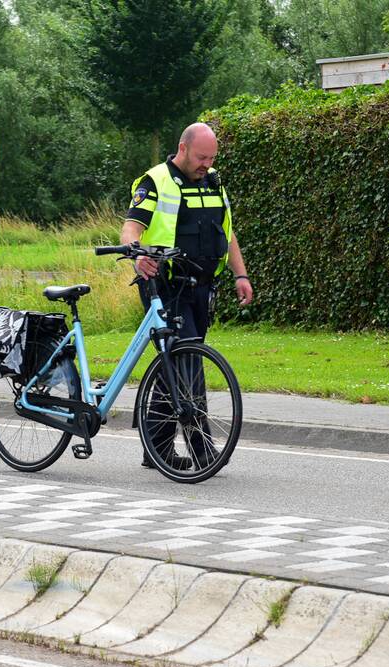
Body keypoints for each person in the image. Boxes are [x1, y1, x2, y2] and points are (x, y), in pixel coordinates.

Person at [119, 122, 253, 468]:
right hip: (166, 287)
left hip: (201, 288)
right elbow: (131, 227)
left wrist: (241, 274)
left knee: (173, 367)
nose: (206, 164)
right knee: (189, 364)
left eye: (211, 158)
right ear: (183, 148)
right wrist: (137, 256)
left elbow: (227, 231)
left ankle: (156, 448)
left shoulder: (213, 182)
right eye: (201, 157)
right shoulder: (156, 181)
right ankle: (202, 449)